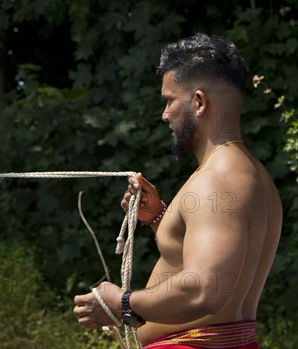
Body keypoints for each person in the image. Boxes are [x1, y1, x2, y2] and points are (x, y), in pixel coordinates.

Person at [73, 33, 282, 349]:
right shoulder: (254, 175)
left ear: (199, 102)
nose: (164, 114)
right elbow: (215, 256)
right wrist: (159, 216)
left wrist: (123, 302)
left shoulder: (217, 179)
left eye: (169, 100)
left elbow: (204, 289)